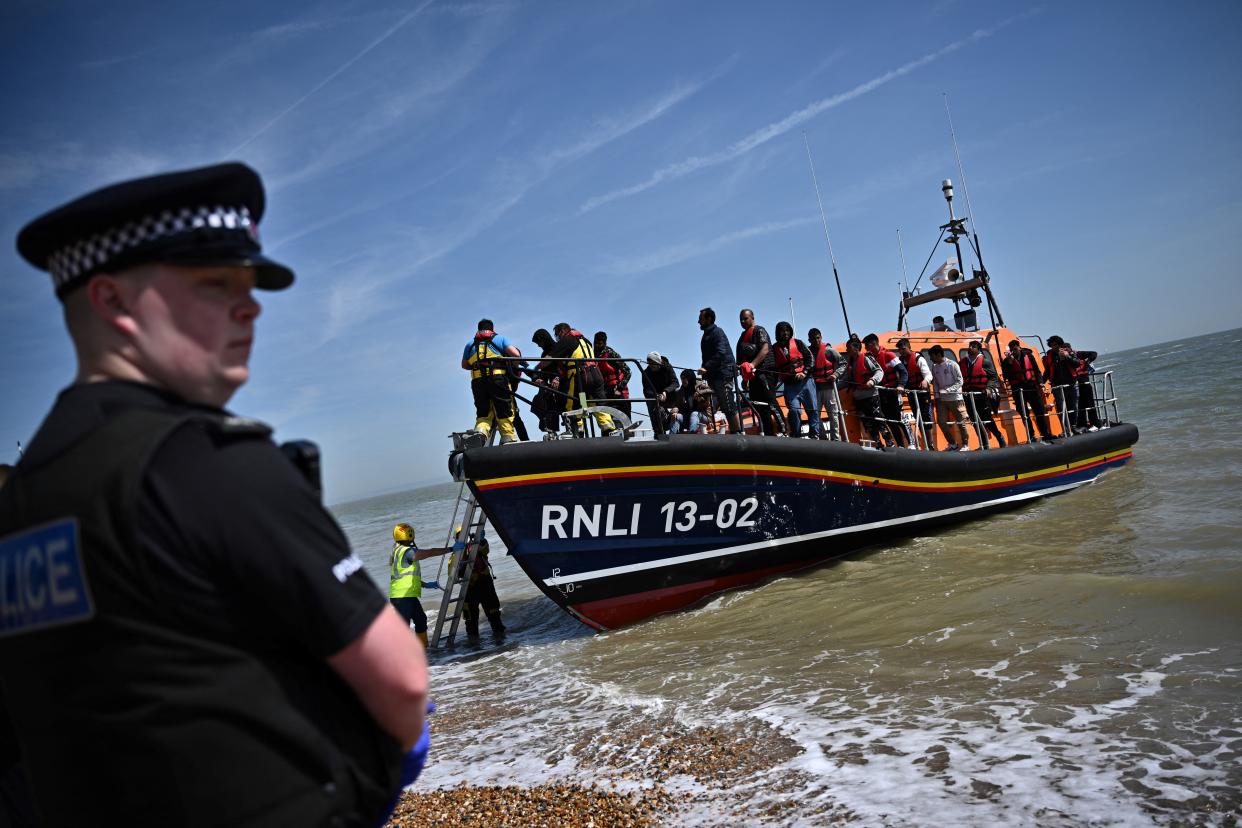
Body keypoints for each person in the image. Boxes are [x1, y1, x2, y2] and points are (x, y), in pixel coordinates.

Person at [0, 163, 429, 824]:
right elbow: (401, 681)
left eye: (251, 284)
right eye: (214, 282)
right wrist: (380, 769)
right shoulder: (206, 463)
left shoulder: (25, 499)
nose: (251, 304)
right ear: (112, 301)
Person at [537, 323, 616, 436]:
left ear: (562, 332)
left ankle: (576, 430)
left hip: (581, 376)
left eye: (557, 335)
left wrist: (536, 367)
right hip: (596, 375)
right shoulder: (586, 341)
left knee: (571, 403)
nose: (557, 338)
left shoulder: (567, 340)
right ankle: (608, 428)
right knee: (595, 403)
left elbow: (550, 358)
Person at [389, 522, 455, 648]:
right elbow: (429, 553)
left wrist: (426, 585)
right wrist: (450, 549)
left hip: (407, 595)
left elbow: (406, 577)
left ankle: (423, 651)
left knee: (421, 620)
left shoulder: (398, 550)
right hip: (402, 597)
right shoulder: (407, 551)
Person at [462, 318, 521, 444]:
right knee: (504, 408)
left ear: (479, 329)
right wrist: (513, 367)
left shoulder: (470, 344)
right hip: (498, 379)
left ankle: (481, 432)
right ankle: (508, 438)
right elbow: (516, 355)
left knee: (483, 411)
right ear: (492, 329)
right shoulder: (500, 339)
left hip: (477, 381)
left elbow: (464, 365)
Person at [450, 526, 505, 640]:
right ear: (456, 539)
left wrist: (482, 540)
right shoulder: (455, 555)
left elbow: (485, 549)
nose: (463, 538)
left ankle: (501, 639)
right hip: (469, 588)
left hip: (485, 584)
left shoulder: (475, 547)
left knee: (494, 614)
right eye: (460, 536)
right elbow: (452, 573)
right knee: (470, 620)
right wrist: (460, 564)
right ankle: (474, 645)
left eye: (464, 535)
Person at [735, 309, 780, 436]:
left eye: (745, 318)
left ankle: (783, 430)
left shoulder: (759, 331)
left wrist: (752, 365)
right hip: (752, 378)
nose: (743, 321)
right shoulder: (741, 338)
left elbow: (765, 349)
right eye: (741, 320)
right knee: (759, 407)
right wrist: (745, 379)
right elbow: (740, 361)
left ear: (752, 317)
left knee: (770, 402)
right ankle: (768, 432)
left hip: (764, 373)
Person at [772, 321, 821, 438]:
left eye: (787, 330)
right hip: (790, 386)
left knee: (813, 410)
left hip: (806, 382)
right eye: (782, 331)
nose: (785, 333)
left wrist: (804, 372)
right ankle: (796, 436)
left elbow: (810, 359)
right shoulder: (774, 349)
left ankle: (815, 435)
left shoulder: (798, 343)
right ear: (778, 333)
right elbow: (771, 367)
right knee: (794, 410)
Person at [698, 307, 741, 433]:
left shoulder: (717, 332)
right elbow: (706, 357)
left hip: (724, 374)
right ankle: (735, 432)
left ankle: (738, 432)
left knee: (728, 404)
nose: (698, 322)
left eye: (700, 319)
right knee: (723, 404)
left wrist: (706, 367)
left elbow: (721, 353)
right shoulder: (706, 335)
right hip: (715, 376)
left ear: (709, 319)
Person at [845, 335, 893, 447]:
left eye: (849, 348)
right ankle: (878, 443)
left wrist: (872, 381)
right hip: (859, 398)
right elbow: (847, 380)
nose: (847, 350)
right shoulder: (850, 363)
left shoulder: (866, 358)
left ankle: (889, 443)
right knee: (868, 424)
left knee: (879, 420)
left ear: (856, 348)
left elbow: (879, 371)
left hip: (871, 395)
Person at [1001, 338, 1052, 442]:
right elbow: (1006, 376)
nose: (1014, 351)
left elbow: (1036, 371)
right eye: (1012, 350)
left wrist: (1040, 382)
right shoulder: (1006, 361)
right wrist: (1010, 364)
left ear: (1019, 348)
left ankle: (1045, 433)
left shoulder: (1029, 356)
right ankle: (1031, 435)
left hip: (1031, 387)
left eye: (1015, 349)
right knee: (1024, 414)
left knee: (1039, 411)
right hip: (1018, 390)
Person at [864, 333, 910, 447]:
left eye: (866, 345)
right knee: (889, 421)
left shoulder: (889, 355)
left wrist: (901, 385)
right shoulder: (870, 358)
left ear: (873, 344)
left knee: (898, 420)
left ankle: (910, 444)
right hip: (881, 393)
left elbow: (903, 372)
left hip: (893, 393)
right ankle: (900, 445)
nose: (865, 348)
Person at [959, 340, 1007, 449]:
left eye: (973, 346)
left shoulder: (985, 362)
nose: (970, 347)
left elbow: (993, 377)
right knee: (974, 420)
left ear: (978, 349)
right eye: (970, 346)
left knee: (987, 419)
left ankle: (1000, 438)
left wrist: (989, 388)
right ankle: (984, 444)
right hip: (968, 396)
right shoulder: (962, 362)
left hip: (981, 394)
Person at [928, 344, 972, 450]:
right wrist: (937, 396)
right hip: (942, 399)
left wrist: (948, 390)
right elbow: (936, 383)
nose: (930, 359)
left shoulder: (952, 365)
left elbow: (960, 381)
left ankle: (965, 444)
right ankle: (952, 443)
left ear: (938, 355)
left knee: (960, 421)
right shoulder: (934, 367)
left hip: (955, 398)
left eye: (932, 356)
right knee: (941, 421)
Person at [896, 338, 934, 449]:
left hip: (923, 393)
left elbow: (928, 375)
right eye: (900, 350)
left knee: (926, 417)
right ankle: (924, 443)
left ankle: (930, 444)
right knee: (918, 419)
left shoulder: (919, 359)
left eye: (903, 349)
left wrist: (925, 381)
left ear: (909, 347)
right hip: (912, 394)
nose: (902, 352)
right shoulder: (900, 362)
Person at [807, 328, 844, 441]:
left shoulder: (829, 351)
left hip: (829, 388)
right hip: (815, 389)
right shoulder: (807, 353)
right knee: (815, 415)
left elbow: (843, 363)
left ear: (821, 337)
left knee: (833, 415)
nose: (816, 340)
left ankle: (835, 439)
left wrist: (835, 374)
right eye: (813, 339)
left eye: (818, 338)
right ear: (809, 340)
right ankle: (823, 438)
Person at [1042, 335, 1082, 433]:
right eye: (1052, 345)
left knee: (1073, 406)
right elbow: (1047, 371)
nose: (1054, 347)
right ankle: (1065, 429)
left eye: (1056, 345)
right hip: (1057, 386)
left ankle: (1073, 426)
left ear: (1060, 344)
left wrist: (1067, 357)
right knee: (1061, 408)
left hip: (1070, 384)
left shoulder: (1068, 352)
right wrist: (1042, 382)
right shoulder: (1050, 356)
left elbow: (1077, 363)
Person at [530, 328, 563, 435]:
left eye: (539, 342)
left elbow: (566, 367)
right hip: (551, 387)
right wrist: (539, 379)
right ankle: (550, 430)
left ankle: (574, 429)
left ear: (544, 339)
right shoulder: (544, 354)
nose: (538, 345)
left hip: (565, 384)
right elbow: (543, 372)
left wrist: (558, 378)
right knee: (542, 398)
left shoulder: (559, 349)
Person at [593, 331, 632, 421]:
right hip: (603, 391)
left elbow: (628, 371)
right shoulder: (592, 355)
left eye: (600, 344)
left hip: (617, 390)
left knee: (623, 418)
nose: (598, 346)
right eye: (596, 343)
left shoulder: (610, 353)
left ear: (605, 343)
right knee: (607, 419)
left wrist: (619, 388)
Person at [1064, 341, 1101, 431]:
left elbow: (1094, 353)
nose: (1066, 351)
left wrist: (1087, 362)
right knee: (1080, 406)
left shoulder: (1079, 354)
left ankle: (1095, 423)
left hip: (1084, 383)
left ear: (1070, 348)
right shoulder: (1065, 359)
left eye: (1066, 349)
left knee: (1090, 404)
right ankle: (1082, 423)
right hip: (1075, 385)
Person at [641, 351, 680, 434]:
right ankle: (657, 430)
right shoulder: (646, 373)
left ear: (659, 362)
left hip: (669, 395)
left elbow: (676, 383)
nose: (651, 366)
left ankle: (675, 420)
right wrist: (657, 396)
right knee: (649, 401)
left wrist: (665, 391)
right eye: (649, 364)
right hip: (656, 398)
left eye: (653, 364)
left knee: (677, 391)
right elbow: (646, 390)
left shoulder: (667, 367)